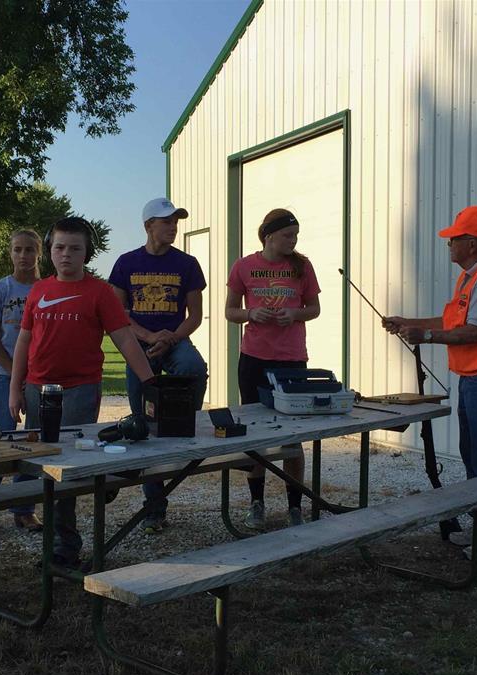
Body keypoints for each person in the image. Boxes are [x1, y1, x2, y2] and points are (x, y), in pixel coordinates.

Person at [382, 206, 477, 562]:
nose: (449, 243)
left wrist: (427, 335)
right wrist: (410, 322)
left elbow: (475, 331)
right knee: (476, 459)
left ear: (473, 243)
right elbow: (454, 319)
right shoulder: (473, 276)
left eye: (455, 238)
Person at [9, 216, 155, 570]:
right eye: (59, 247)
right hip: (37, 390)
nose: (66, 255)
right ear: (51, 250)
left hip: (79, 390)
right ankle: (94, 495)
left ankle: (64, 548)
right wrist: (15, 388)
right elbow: (24, 341)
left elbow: (123, 338)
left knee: (67, 467)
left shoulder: (100, 292)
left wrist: (150, 383)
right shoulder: (39, 291)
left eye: (75, 248)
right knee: (48, 466)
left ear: (87, 252)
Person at [108, 197, 208, 533]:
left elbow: (195, 315)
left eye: (176, 221)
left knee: (194, 368)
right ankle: (154, 508)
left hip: (174, 339)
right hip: (139, 344)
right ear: (148, 225)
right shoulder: (125, 263)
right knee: (140, 426)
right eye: (166, 222)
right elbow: (117, 314)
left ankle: (180, 418)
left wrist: (169, 338)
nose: (173, 227)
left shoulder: (188, 264)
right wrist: (149, 337)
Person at [224, 209, 321, 529]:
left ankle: (295, 505)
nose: (293, 241)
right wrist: (252, 313)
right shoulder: (244, 266)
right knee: (255, 432)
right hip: (254, 359)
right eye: (287, 235)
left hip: (291, 359)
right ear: (269, 237)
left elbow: (314, 309)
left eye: (296, 235)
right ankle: (257, 503)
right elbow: (229, 311)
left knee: (294, 433)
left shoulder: (302, 266)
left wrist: (293, 315)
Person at [0, 229, 46, 537]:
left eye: (30, 250)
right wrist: (14, 370)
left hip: (41, 377)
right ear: (10, 253)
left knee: (33, 442)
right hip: (5, 376)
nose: (23, 256)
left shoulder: (47, 289)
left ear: (39, 253)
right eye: (18, 250)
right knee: (3, 440)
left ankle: (23, 509)